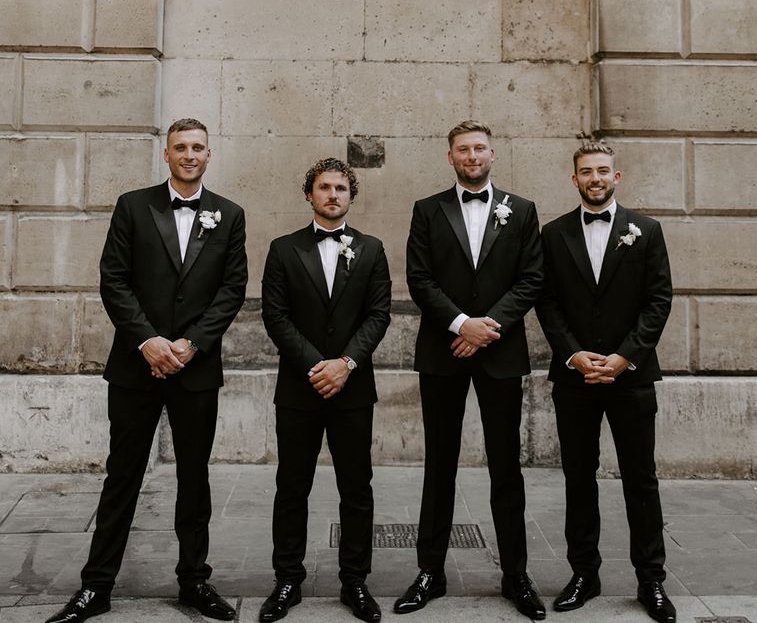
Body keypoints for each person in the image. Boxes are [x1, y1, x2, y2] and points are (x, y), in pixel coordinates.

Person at [46, 118, 247, 623]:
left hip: (195, 369)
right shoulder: (134, 206)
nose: (189, 155)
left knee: (194, 478)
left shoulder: (230, 214)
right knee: (123, 475)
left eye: (197, 147)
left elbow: (232, 289)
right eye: (180, 147)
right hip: (136, 367)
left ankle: (194, 581)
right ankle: (97, 586)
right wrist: (149, 341)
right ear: (166, 154)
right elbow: (113, 279)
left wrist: (189, 345)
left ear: (209, 154)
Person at [394, 120, 545, 619]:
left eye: (480, 147)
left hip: (500, 354)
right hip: (444, 351)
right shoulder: (427, 210)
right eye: (463, 149)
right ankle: (429, 572)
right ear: (450, 156)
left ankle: (515, 574)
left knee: (507, 467)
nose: (472, 155)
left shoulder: (521, 211)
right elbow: (419, 278)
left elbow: (531, 279)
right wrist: (461, 324)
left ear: (493, 153)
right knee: (440, 464)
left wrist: (488, 327)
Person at [535, 135, 675, 623]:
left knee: (641, 479)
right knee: (578, 478)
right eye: (586, 172)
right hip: (575, 379)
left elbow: (658, 301)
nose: (595, 179)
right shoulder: (552, 235)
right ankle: (583, 574)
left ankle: (651, 580)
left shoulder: (647, 230)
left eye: (603, 171)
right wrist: (574, 355)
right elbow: (547, 303)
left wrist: (623, 358)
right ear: (574, 180)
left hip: (631, 377)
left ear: (616, 177)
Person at [258, 158, 391, 623]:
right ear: (309, 194)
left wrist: (346, 363)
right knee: (292, 486)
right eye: (323, 187)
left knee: (356, 488)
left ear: (351, 196)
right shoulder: (283, 249)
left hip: (353, 389)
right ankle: (287, 580)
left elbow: (379, 315)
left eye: (340, 188)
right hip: (299, 388)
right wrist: (318, 365)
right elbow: (275, 316)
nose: (332, 194)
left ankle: (355, 581)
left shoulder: (372, 250)